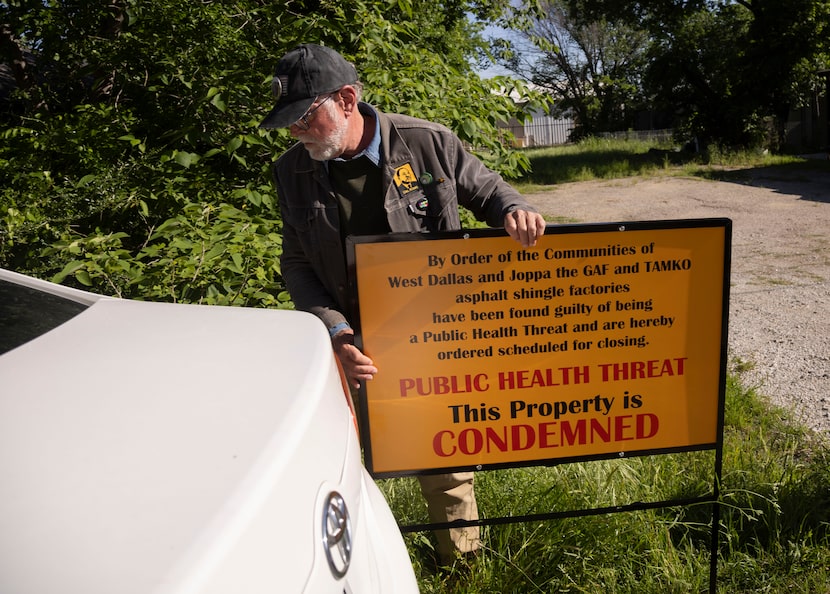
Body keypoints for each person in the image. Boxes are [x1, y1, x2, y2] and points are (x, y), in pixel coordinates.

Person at [260, 43, 546, 565]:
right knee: (342, 458)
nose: (295, 133)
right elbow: (297, 265)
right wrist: (336, 334)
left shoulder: (427, 142)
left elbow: (489, 193)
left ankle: (463, 565)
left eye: (303, 118)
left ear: (346, 100)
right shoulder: (291, 172)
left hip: (431, 333)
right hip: (353, 339)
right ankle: (362, 568)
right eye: (289, 125)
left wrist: (516, 209)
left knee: (442, 456)